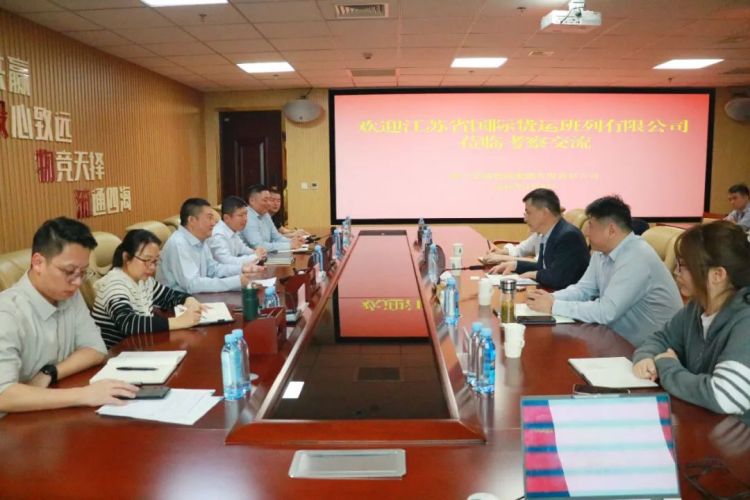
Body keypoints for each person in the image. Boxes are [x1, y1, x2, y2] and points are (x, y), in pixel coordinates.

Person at [0, 217, 138, 414]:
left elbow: (95, 348)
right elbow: (3, 395)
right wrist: (83, 395)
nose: (77, 282)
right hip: (14, 423)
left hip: (52, 410)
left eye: (83, 273)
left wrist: (50, 372)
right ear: (38, 263)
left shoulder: (68, 294)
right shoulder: (7, 313)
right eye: (69, 271)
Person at [527, 195, 682, 347]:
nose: (586, 232)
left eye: (591, 226)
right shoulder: (601, 252)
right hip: (616, 339)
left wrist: (554, 306)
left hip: (651, 350)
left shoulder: (637, 256)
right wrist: (550, 298)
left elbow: (606, 312)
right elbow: (583, 289)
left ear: (611, 230)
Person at [633, 221, 750, 416]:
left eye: (684, 266)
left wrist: (667, 367)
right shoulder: (697, 306)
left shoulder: (745, 319)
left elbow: (724, 397)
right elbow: (660, 339)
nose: (676, 272)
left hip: (736, 430)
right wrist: (646, 357)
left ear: (718, 275)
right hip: (704, 419)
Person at [93, 229, 205, 349]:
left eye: (155, 261)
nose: (152, 267)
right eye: (146, 260)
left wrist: (189, 301)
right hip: (117, 354)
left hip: (140, 347)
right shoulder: (114, 284)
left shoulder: (143, 280)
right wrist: (179, 321)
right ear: (126, 257)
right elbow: (128, 323)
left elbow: (170, 296)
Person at [489, 189, 589, 290]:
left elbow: (557, 278)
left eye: (528, 213)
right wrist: (515, 265)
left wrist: (534, 274)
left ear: (544, 213)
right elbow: (542, 267)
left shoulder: (568, 236)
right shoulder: (549, 233)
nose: (525, 219)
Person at [157, 198, 260, 293]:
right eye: (209, 218)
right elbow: (192, 285)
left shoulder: (201, 238)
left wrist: (241, 269)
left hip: (198, 297)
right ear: (192, 220)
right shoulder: (178, 243)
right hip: (178, 303)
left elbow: (213, 270)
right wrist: (235, 281)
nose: (214, 223)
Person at [241, 184, 303, 251]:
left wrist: (293, 241)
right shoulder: (246, 216)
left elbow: (277, 238)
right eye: (265, 200)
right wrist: (289, 245)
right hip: (250, 256)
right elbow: (259, 246)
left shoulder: (265, 215)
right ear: (252, 201)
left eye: (269, 200)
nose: (269, 203)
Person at [209, 196, 267, 266]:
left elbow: (243, 249)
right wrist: (256, 257)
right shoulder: (218, 234)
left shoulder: (233, 230)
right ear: (226, 218)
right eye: (240, 215)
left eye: (246, 214)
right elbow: (226, 261)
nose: (245, 219)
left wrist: (257, 252)